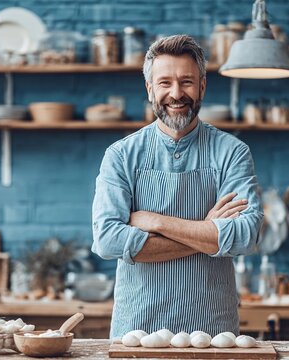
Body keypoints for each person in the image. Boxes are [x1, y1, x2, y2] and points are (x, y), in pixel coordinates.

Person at [91, 34, 263, 339]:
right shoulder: (121, 155)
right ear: (149, 89)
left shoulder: (232, 152)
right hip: (136, 331)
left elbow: (246, 235)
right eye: (164, 83)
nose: (176, 93)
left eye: (186, 82)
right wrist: (208, 233)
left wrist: (156, 222)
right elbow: (107, 240)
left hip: (212, 333)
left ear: (202, 87)